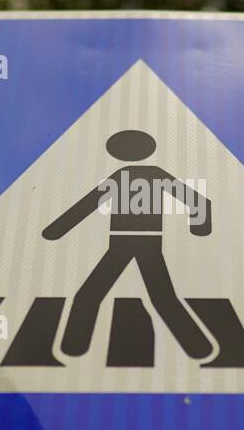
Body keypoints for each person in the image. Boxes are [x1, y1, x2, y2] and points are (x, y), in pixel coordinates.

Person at [42, 129, 213, 359]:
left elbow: (86, 205)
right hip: (144, 244)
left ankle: (73, 347)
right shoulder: (155, 174)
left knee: (89, 294)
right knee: (161, 298)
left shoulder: (121, 176)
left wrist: (55, 231)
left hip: (124, 243)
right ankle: (199, 348)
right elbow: (199, 202)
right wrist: (199, 228)